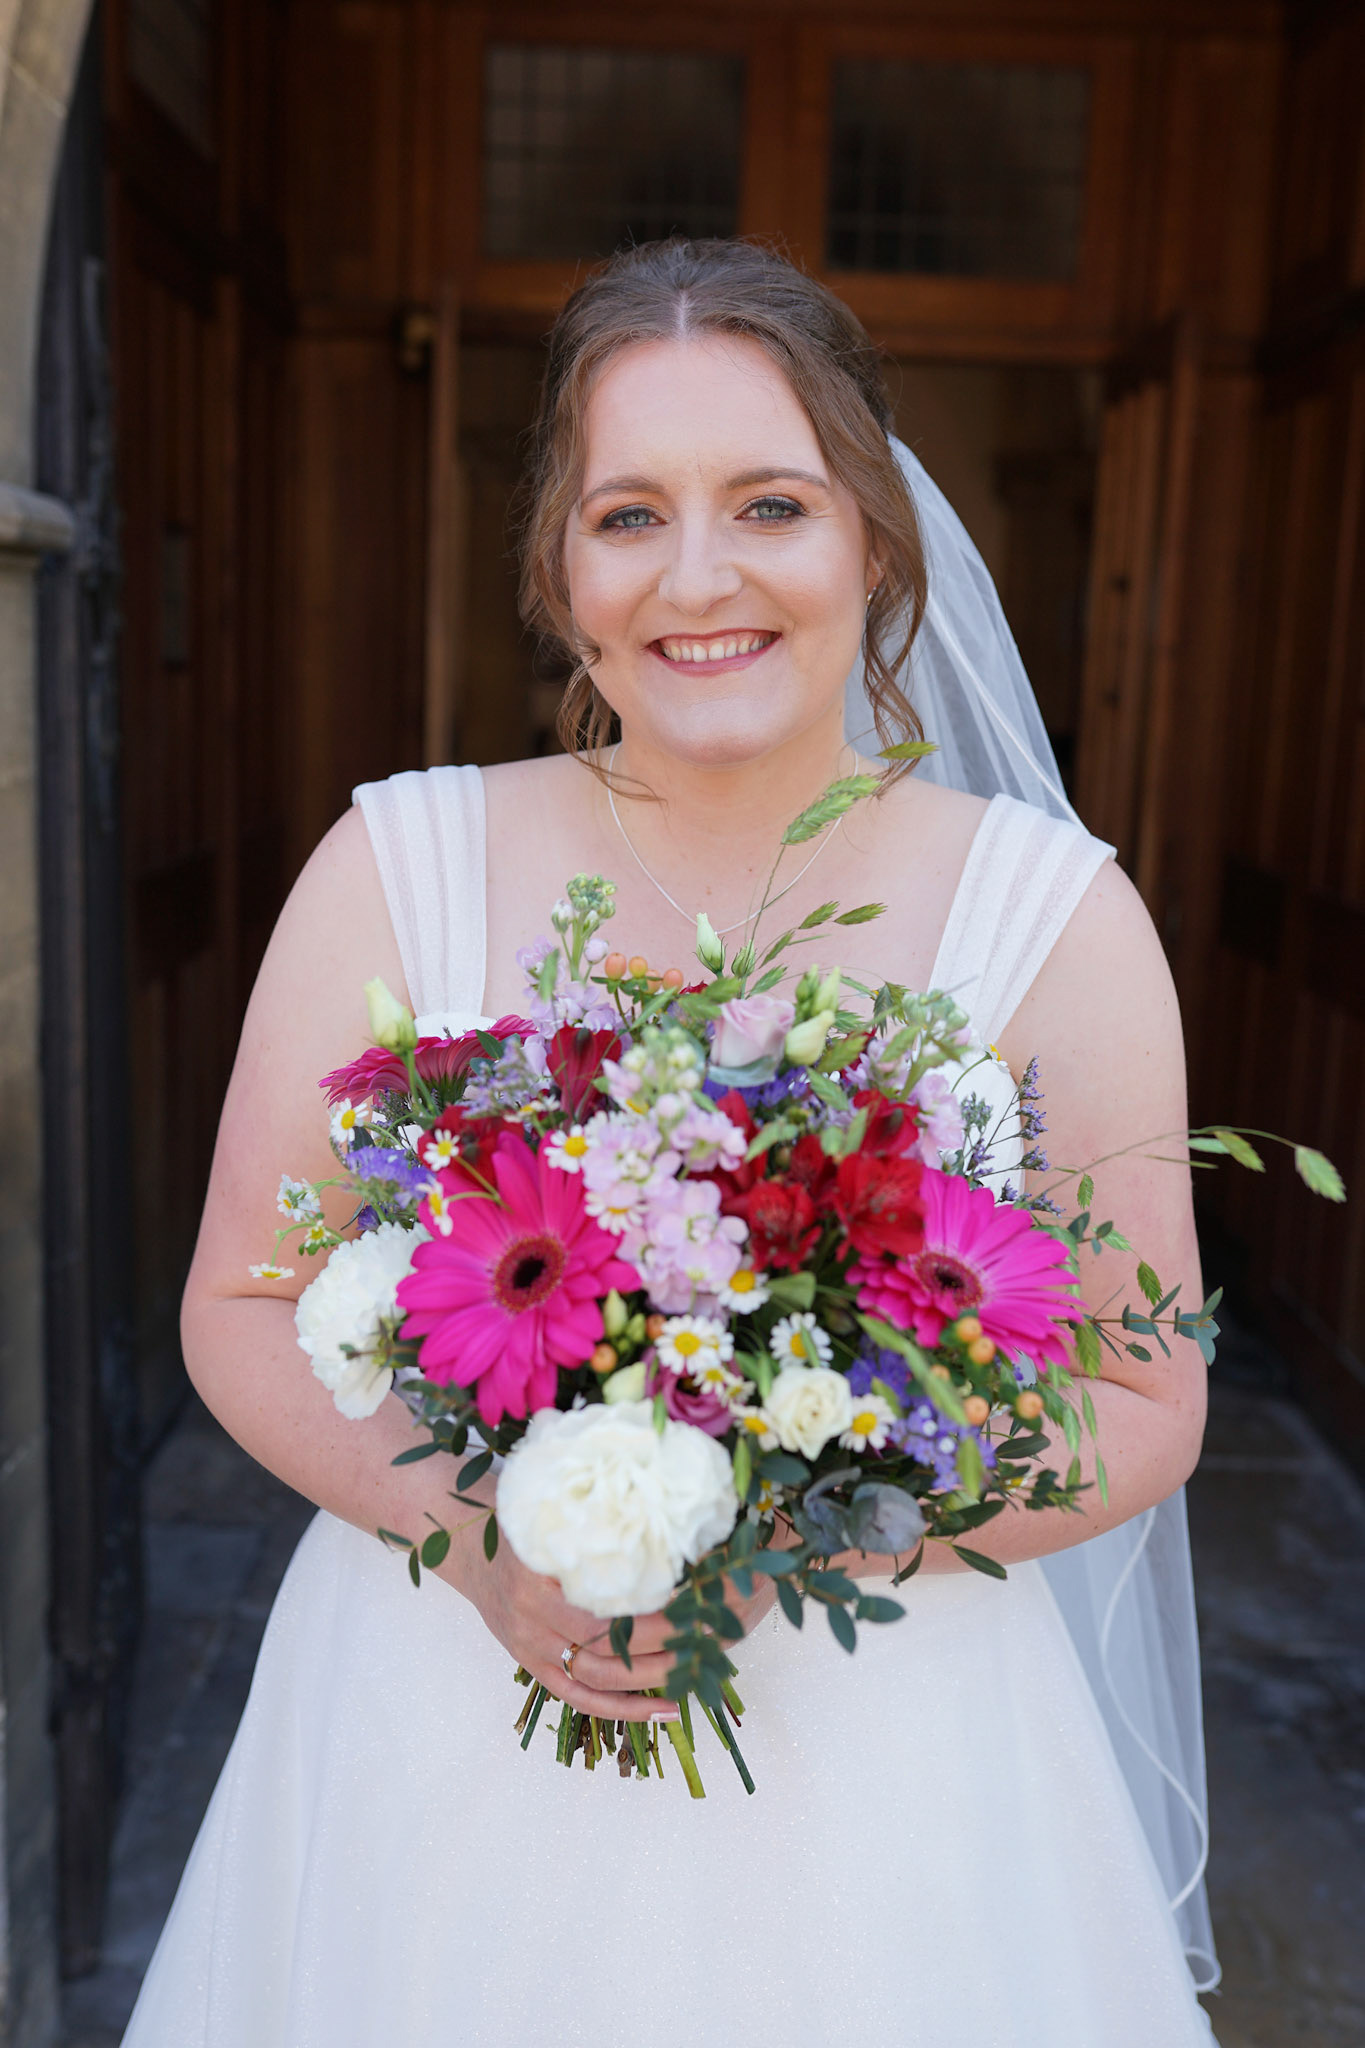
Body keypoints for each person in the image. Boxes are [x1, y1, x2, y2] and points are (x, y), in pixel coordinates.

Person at [122, 238, 1217, 2044]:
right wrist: (486, 1545)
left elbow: (1141, 1396)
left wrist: (798, 1526)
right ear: (556, 571)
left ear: (875, 543)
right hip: (435, 1722)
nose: (696, 578)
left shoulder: (1051, 918)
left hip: (890, 1761)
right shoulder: (399, 863)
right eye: (627, 515)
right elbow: (243, 1304)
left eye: (770, 504)